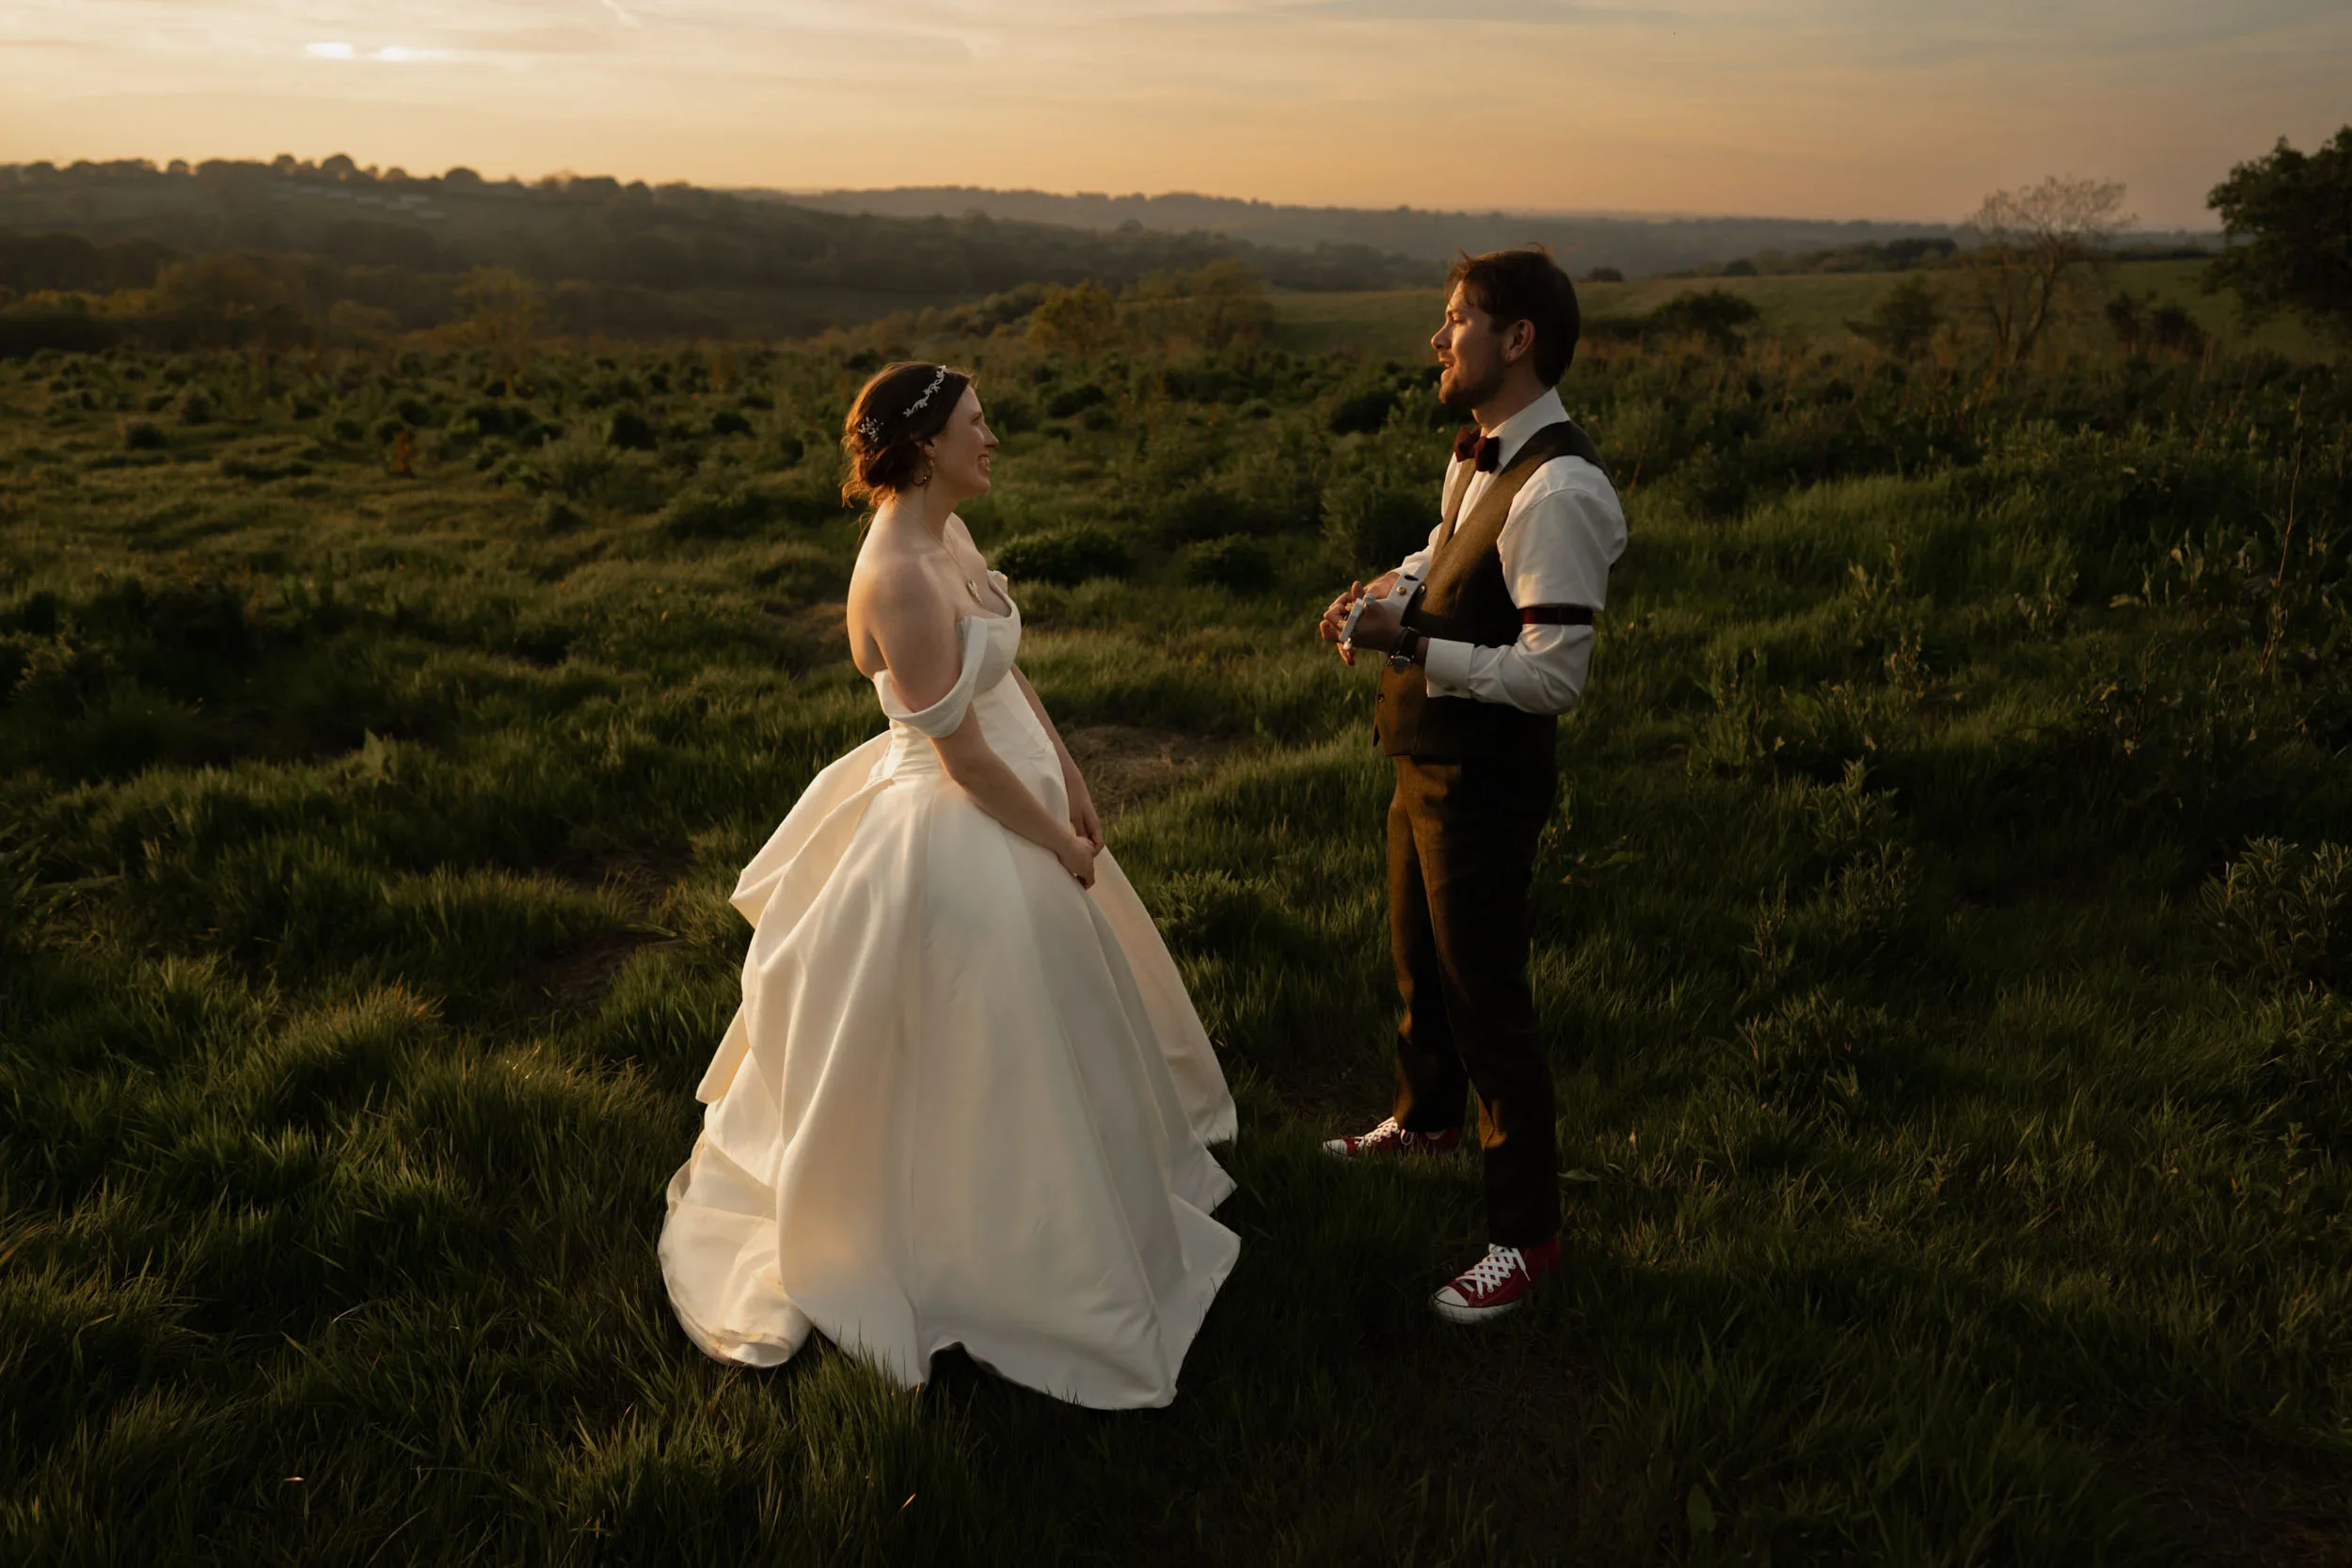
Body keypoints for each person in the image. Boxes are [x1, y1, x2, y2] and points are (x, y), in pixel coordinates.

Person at [660, 361, 1239, 1409]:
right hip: (956, 816)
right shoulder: (899, 576)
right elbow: (965, 759)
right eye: (979, 423)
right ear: (925, 446)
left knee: (1071, 1008)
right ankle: (988, 1245)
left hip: (1018, 783)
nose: (995, 438)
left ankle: (1105, 1192)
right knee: (984, 1020)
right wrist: (1058, 848)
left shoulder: (949, 538)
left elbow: (1009, 675)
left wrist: (1067, 774)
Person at [1317, 246, 1628, 1323]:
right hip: (1424, 758)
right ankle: (1424, 1116)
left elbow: (1553, 676)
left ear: (1518, 338)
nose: (1439, 339)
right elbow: (1446, 547)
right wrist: (1387, 590)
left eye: (1457, 319)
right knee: (1418, 962)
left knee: (1489, 1002)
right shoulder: (1481, 455)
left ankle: (1523, 1235)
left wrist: (1413, 646)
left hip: (1486, 780)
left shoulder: (1562, 487)